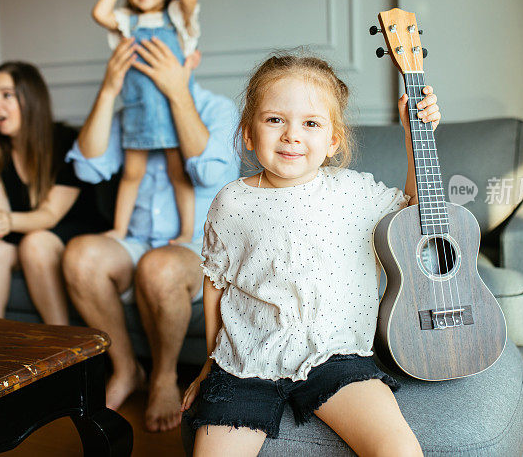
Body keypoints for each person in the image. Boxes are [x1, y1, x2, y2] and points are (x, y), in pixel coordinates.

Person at [180, 53, 441, 456]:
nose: (291, 135)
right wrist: (208, 366)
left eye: (311, 123)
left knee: (400, 451)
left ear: (333, 140)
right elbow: (216, 281)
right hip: (244, 361)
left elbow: (414, 216)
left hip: (335, 354)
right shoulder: (231, 202)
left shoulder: (355, 193)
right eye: (274, 120)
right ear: (248, 134)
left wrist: (415, 137)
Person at [63, 37, 239, 430]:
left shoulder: (219, 109)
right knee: (79, 255)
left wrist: (177, 96)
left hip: (195, 246)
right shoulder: (131, 117)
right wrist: (109, 90)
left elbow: (208, 172)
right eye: (141, 62)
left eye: (160, 59)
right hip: (138, 240)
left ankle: (163, 376)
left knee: (158, 267)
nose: (149, 70)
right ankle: (126, 369)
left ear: (191, 59)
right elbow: (87, 170)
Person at [0, 62, 107, 325]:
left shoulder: (64, 140)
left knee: (35, 244)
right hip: (25, 229)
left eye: (6, 95)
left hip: (71, 230)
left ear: (31, 99)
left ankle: (61, 349)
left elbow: (50, 214)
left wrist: (5, 221)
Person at [92, 0, 198, 244]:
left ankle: (187, 233)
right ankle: (120, 230)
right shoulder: (127, 21)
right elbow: (99, 13)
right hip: (137, 111)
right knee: (131, 175)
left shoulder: (177, 17)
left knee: (179, 174)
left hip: (172, 110)